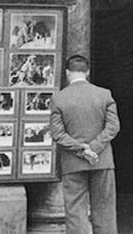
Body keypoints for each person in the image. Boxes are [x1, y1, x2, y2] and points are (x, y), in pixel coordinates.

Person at [50, 54, 121, 234]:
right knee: (105, 208)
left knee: (75, 210)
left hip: (73, 162)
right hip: (102, 159)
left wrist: (82, 149)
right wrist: (94, 148)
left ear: (67, 73)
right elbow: (113, 126)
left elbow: (57, 134)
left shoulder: (59, 98)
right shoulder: (104, 94)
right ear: (87, 72)